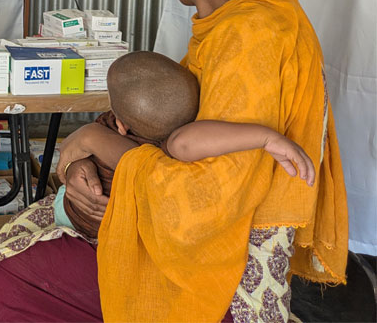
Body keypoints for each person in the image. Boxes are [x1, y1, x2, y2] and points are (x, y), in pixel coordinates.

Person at [0, 0, 348, 322]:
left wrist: (92, 144)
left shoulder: (253, 37)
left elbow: (202, 204)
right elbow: (175, 138)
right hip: (195, 242)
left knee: (9, 274)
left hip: (220, 270)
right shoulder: (233, 26)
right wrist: (81, 160)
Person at [53, 51, 315, 239]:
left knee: (61, 199)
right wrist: (266, 137)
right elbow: (191, 140)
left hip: (81, 219)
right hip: (127, 226)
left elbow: (129, 157)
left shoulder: (110, 136)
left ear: (122, 125)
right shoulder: (172, 144)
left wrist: (88, 139)